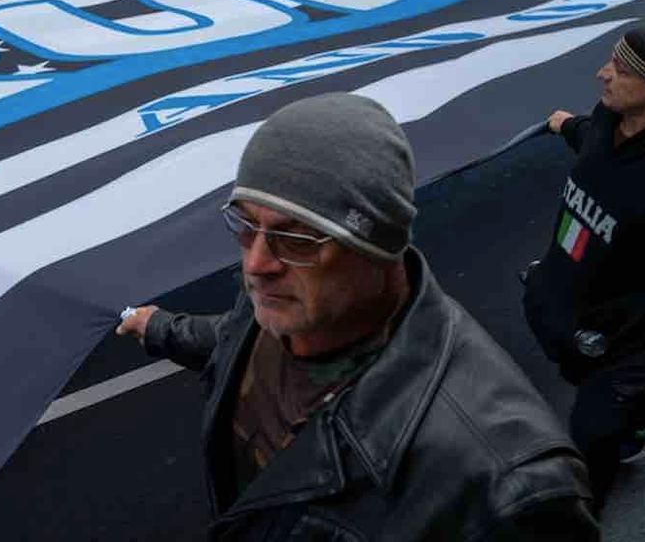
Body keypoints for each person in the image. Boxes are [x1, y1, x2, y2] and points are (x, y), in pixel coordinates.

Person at [117, 93, 598, 540]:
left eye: (297, 237)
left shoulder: (507, 487)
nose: (255, 265)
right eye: (246, 224)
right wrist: (160, 328)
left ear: (379, 248)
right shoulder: (289, 296)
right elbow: (234, 338)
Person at [525, 25, 645, 511]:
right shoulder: (606, 119)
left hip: (628, 345)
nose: (603, 73)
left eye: (621, 68)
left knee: (590, 434)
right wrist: (563, 124)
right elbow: (591, 143)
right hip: (565, 308)